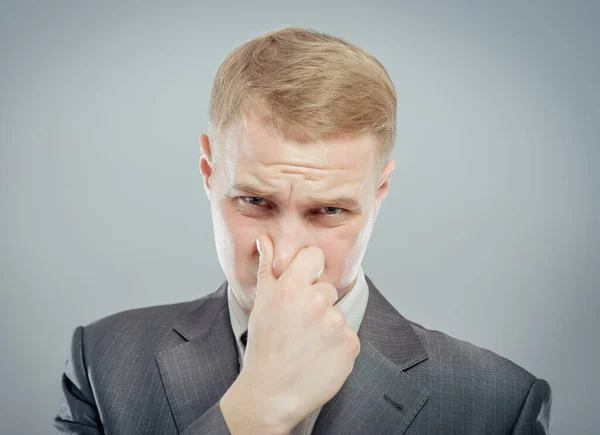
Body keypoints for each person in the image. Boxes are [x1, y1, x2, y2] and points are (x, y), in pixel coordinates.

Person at [54, 26, 552, 435]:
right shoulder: (104, 363)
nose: (285, 256)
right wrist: (253, 411)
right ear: (209, 172)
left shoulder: (497, 404)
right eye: (255, 201)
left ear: (380, 190)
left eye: (329, 211)